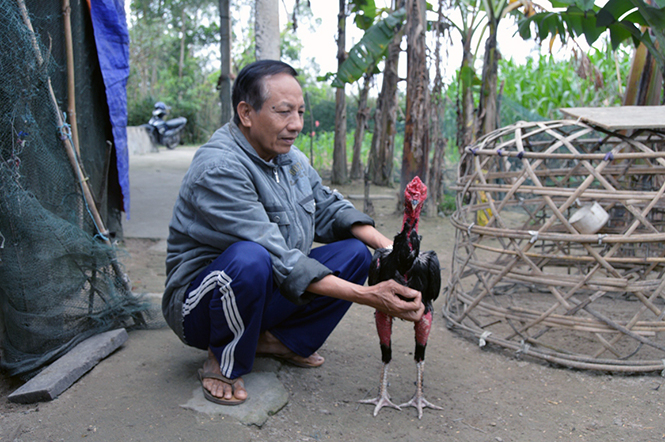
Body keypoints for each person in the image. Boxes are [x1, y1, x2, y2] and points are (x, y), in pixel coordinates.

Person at [162, 59, 424, 406]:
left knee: (355, 252)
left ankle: (276, 342)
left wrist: (392, 249)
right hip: (200, 307)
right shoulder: (219, 168)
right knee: (250, 258)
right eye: (284, 112)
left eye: (300, 112)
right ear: (246, 112)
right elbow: (277, 257)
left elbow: (329, 208)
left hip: (265, 285)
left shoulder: (289, 157)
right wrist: (370, 295)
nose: (296, 124)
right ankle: (223, 360)